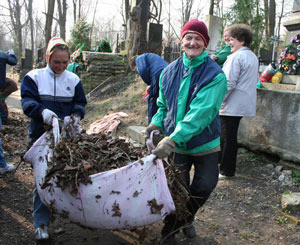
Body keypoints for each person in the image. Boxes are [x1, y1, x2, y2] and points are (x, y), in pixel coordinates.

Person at [145, 19, 227, 245]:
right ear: (182, 41)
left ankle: (186, 219)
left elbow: (200, 114)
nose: (192, 42)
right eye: (188, 37)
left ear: (205, 43)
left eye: (198, 38)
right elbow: (163, 105)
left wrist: (171, 139)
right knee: (176, 191)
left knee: (204, 185)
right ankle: (170, 231)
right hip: (176, 144)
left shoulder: (215, 75)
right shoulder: (168, 72)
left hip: (204, 142)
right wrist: (156, 123)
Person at [21, 37, 87, 241]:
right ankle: (41, 223)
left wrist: (74, 115)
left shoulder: (73, 80)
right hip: (41, 137)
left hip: (66, 139)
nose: (60, 66)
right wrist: (42, 112)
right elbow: (27, 101)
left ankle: (69, 210)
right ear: (47, 57)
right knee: (43, 180)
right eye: (55, 61)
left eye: (64, 62)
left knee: (67, 174)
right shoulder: (34, 77)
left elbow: (80, 103)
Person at [218, 24, 258, 179]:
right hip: (242, 103)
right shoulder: (252, 56)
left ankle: (226, 170)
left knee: (228, 137)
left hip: (232, 103)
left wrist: (219, 101)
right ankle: (222, 163)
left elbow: (228, 83)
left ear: (241, 40)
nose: (229, 43)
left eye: (232, 39)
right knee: (229, 135)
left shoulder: (236, 57)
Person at [130, 53, 168, 124]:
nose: (137, 71)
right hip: (168, 72)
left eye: (136, 69)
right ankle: (161, 123)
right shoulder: (148, 56)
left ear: (134, 65)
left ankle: (151, 124)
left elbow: (143, 71)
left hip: (158, 74)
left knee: (152, 98)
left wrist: (149, 87)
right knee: (162, 99)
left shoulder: (139, 59)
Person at [0, 49, 17, 124]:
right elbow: (13, 61)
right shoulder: (2, 54)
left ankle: (3, 119)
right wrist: (11, 54)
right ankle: (4, 119)